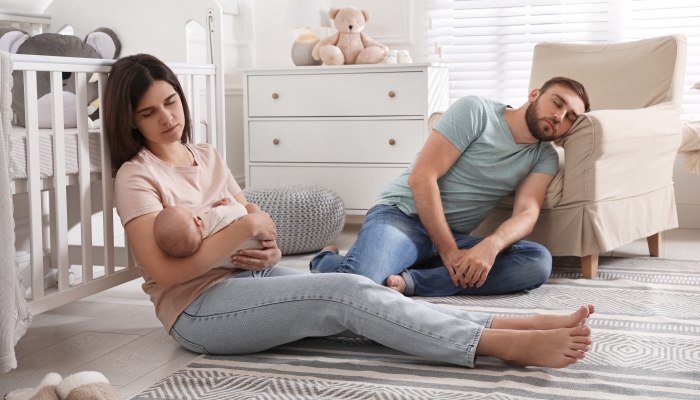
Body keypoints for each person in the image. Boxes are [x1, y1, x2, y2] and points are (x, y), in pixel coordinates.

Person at [106, 54, 593, 369]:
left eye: (171, 102)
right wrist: (244, 231)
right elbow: (163, 273)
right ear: (129, 120)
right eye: (149, 113)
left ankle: (505, 325)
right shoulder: (136, 176)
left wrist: (266, 244)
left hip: (250, 283)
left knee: (358, 291)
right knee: (343, 292)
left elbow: (252, 225)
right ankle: (492, 346)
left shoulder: (207, 155)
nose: (168, 118)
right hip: (196, 309)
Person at [311, 78, 591, 297]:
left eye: (569, 117)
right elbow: (421, 178)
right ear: (534, 95)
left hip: (455, 236)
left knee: (536, 261)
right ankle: (325, 261)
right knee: (355, 286)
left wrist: (491, 246)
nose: (559, 116)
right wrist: (448, 252)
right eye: (557, 103)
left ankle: (411, 281)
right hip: (402, 218)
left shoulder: (544, 157)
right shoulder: (476, 111)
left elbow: (527, 213)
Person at [153, 197, 262, 261]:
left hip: (240, 259)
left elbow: (179, 225)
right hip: (256, 243)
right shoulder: (213, 216)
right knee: (251, 207)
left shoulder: (201, 249)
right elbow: (240, 210)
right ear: (197, 221)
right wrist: (229, 205)